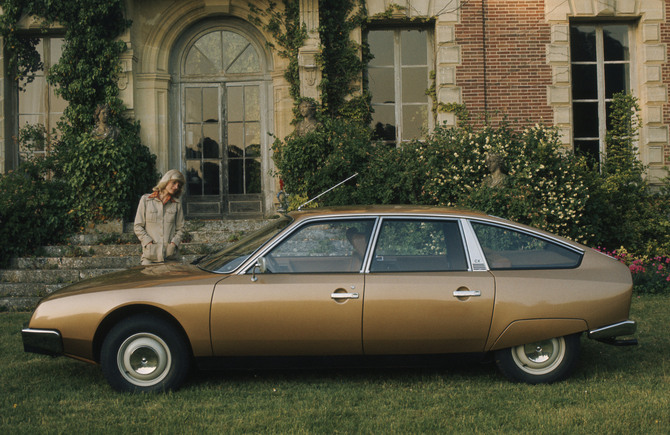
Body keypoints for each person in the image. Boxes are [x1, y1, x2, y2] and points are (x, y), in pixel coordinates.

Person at [134, 170, 186, 265]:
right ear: (166, 180)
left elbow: (181, 228)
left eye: (179, 185)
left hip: (171, 258)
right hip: (150, 257)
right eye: (174, 183)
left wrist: (173, 244)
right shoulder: (146, 200)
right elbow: (138, 226)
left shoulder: (177, 204)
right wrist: (148, 242)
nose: (176, 187)